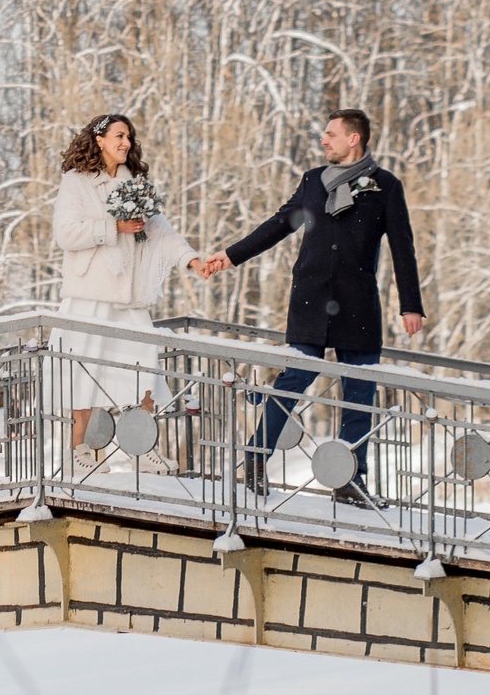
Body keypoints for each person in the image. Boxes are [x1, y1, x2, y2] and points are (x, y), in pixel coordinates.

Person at [194, 109, 423, 507]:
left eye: (331, 134)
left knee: (358, 393)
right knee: (293, 380)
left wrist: (411, 305)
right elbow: (279, 224)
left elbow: (403, 247)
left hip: (358, 303)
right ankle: (254, 459)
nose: (323, 140)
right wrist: (230, 257)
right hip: (311, 298)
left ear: (354, 139)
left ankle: (349, 480)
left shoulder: (386, 186)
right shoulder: (313, 182)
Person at [52, 112, 203, 472]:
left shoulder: (136, 183)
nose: (126, 143)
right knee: (82, 373)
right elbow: (65, 233)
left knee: (145, 369)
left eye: (129, 137)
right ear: (100, 139)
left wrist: (192, 261)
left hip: (129, 297)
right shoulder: (77, 182)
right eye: (119, 136)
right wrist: (113, 227)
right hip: (90, 295)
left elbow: (162, 232)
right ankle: (78, 454)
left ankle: (140, 449)